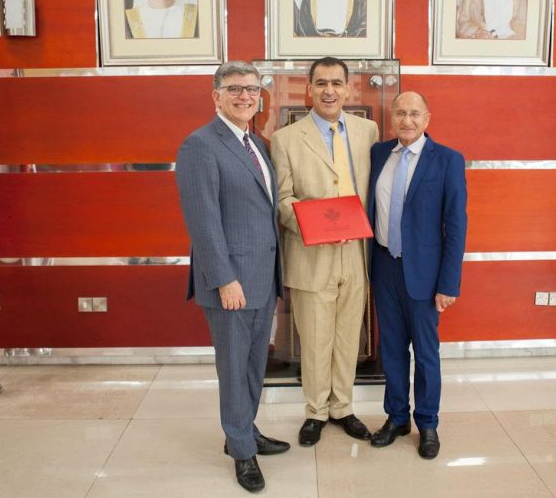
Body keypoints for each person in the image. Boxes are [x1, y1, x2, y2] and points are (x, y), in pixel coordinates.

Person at [175, 61, 288, 493]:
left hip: (262, 277)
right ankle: (242, 452)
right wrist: (224, 279)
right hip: (232, 284)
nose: (245, 96)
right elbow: (203, 221)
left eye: (252, 89)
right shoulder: (199, 145)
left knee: (253, 366)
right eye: (235, 89)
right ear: (216, 96)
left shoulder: (256, 143)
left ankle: (246, 430)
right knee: (233, 367)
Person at [271, 56, 379, 446]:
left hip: (356, 253)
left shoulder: (368, 131)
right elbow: (282, 199)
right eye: (321, 83)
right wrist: (315, 225)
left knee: (349, 334)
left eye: (336, 83)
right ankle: (315, 411)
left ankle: (343, 408)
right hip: (310, 250)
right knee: (315, 338)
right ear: (309, 89)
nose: (329, 90)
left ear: (348, 89)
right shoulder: (286, 139)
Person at [367, 91, 467, 460]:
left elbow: (456, 226)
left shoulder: (447, 160)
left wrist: (448, 284)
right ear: (391, 118)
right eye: (400, 114)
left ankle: (427, 423)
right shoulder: (379, 154)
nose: (406, 120)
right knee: (391, 350)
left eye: (414, 114)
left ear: (427, 118)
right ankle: (396, 417)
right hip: (384, 267)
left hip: (425, 274)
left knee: (425, 354)